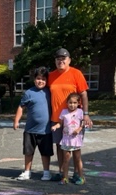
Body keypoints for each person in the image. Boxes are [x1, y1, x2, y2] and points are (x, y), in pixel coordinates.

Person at [48, 48, 92, 182]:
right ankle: (62, 172)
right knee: (60, 147)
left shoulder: (76, 73)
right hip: (58, 118)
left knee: (76, 147)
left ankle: (78, 174)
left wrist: (86, 114)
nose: (60, 61)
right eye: (58, 59)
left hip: (74, 119)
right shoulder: (51, 75)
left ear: (69, 60)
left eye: (63, 59)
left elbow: (83, 94)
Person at [13, 66, 53, 181]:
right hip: (30, 129)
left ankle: (46, 172)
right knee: (28, 152)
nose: (40, 81)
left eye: (43, 79)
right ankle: (27, 171)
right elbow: (21, 107)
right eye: (38, 78)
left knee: (45, 153)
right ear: (34, 79)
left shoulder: (49, 92)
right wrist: (16, 120)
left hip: (46, 130)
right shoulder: (29, 93)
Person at [51, 92, 85, 185]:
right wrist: (55, 126)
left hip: (76, 139)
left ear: (78, 103)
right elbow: (60, 123)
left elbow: (83, 123)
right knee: (66, 159)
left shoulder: (80, 112)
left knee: (77, 158)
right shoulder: (64, 112)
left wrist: (79, 129)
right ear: (67, 103)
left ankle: (81, 177)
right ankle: (65, 177)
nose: (72, 105)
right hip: (66, 139)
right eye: (70, 102)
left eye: (74, 103)